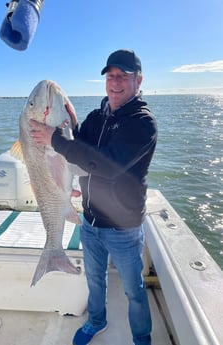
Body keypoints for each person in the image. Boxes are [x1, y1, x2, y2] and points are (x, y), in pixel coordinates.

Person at [30, 49, 157, 345]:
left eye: (123, 76)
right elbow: (77, 152)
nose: (115, 82)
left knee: (133, 290)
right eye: (110, 76)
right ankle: (96, 322)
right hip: (90, 221)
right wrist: (66, 126)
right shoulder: (96, 117)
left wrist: (56, 140)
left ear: (138, 81)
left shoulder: (142, 123)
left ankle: (142, 337)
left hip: (124, 228)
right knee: (95, 281)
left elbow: (107, 165)